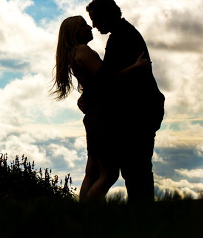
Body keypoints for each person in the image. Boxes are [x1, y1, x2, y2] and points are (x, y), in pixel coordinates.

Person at [53, 15, 150, 201]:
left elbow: (96, 82)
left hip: (94, 116)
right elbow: (107, 80)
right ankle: (92, 215)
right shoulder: (83, 50)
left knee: (92, 173)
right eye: (83, 26)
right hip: (103, 116)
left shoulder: (73, 53)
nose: (89, 27)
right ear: (75, 32)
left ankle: (82, 216)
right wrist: (135, 68)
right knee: (109, 174)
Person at [86, 0, 165, 202]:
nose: (93, 25)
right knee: (136, 169)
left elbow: (107, 78)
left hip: (139, 112)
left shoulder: (121, 37)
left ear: (106, 16)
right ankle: (141, 215)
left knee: (136, 168)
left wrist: (90, 94)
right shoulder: (124, 33)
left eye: (95, 19)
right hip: (141, 110)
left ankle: (141, 217)